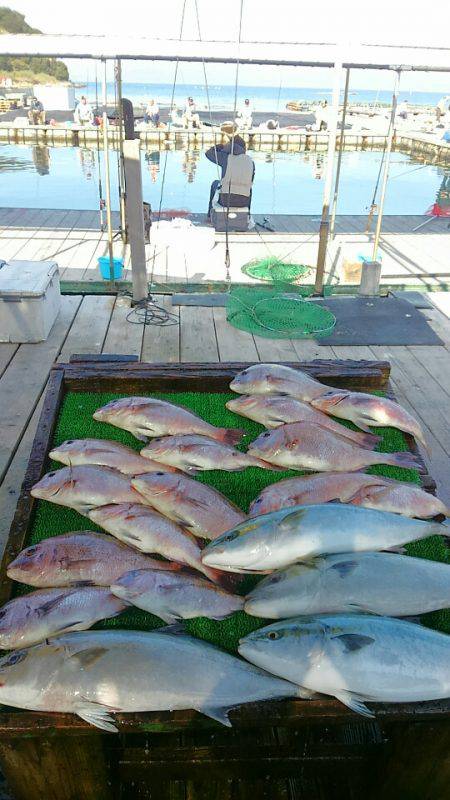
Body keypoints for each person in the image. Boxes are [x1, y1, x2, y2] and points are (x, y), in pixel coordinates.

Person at [205, 133, 255, 218]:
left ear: (230, 146)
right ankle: (246, 215)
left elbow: (208, 153)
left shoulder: (225, 157)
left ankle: (210, 217)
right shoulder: (251, 161)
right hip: (243, 201)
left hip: (224, 200)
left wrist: (221, 146)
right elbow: (251, 180)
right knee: (248, 188)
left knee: (215, 183)